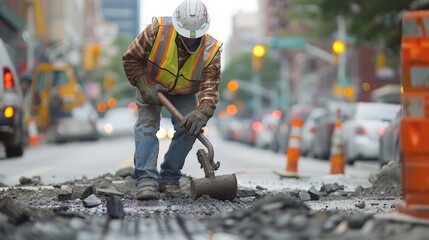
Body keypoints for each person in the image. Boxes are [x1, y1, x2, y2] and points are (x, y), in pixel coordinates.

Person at [122, 0, 222, 200]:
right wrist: (144, 83)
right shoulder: (156, 31)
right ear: (177, 27)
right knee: (147, 125)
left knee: (189, 128)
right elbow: (131, 59)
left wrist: (202, 112)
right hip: (151, 86)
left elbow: (210, 89)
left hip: (184, 93)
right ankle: (147, 181)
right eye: (186, 36)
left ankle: (169, 177)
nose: (191, 41)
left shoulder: (212, 50)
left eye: (196, 37)